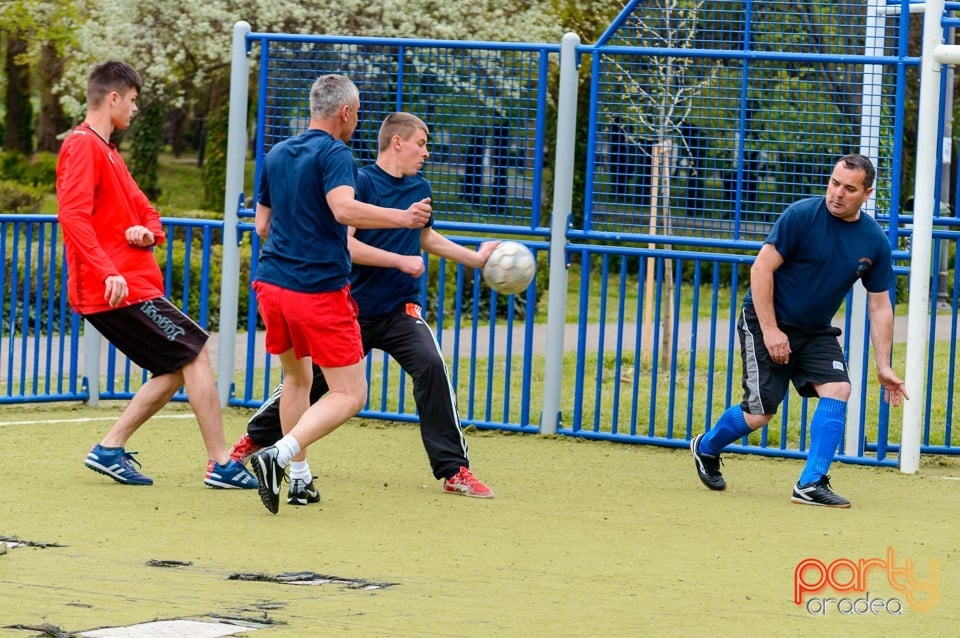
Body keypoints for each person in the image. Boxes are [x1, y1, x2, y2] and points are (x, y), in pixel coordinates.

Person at [231, 112, 498, 503]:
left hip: (397, 311)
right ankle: (255, 441)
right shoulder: (358, 182)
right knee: (308, 382)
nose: (426, 152)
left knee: (431, 366)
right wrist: (398, 260)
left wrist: (475, 259)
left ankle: (454, 469)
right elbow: (348, 244)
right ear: (397, 143)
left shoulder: (420, 187)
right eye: (421, 143)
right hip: (350, 307)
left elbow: (424, 236)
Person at [56, 60, 258, 489]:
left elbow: (149, 213)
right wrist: (109, 270)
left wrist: (147, 233)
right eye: (132, 100)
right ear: (113, 98)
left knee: (175, 367)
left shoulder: (109, 152)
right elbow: (72, 217)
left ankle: (110, 448)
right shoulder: (82, 146)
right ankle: (221, 463)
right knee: (195, 351)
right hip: (117, 289)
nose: (134, 109)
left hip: (132, 283)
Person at [248, 77, 432, 514]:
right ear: (345, 113)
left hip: (272, 285)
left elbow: (261, 226)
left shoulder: (277, 153)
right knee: (350, 394)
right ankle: (277, 453)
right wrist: (403, 219)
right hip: (316, 291)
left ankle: (298, 479)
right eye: (358, 112)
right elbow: (343, 209)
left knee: (297, 380)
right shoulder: (336, 153)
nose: (358, 120)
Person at [690, 153, 908, 508]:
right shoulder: (802, 215)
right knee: (760, 414)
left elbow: (880, 305)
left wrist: (884, 366)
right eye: (834, 183)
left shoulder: (874, 241)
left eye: (849, 188)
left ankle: (810, 483)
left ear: (866, 194)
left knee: (839, 388)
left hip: (816, 330)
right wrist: (772, 331)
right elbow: (761, 270)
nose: (837, 193)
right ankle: (707, 446)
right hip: (766, 319)